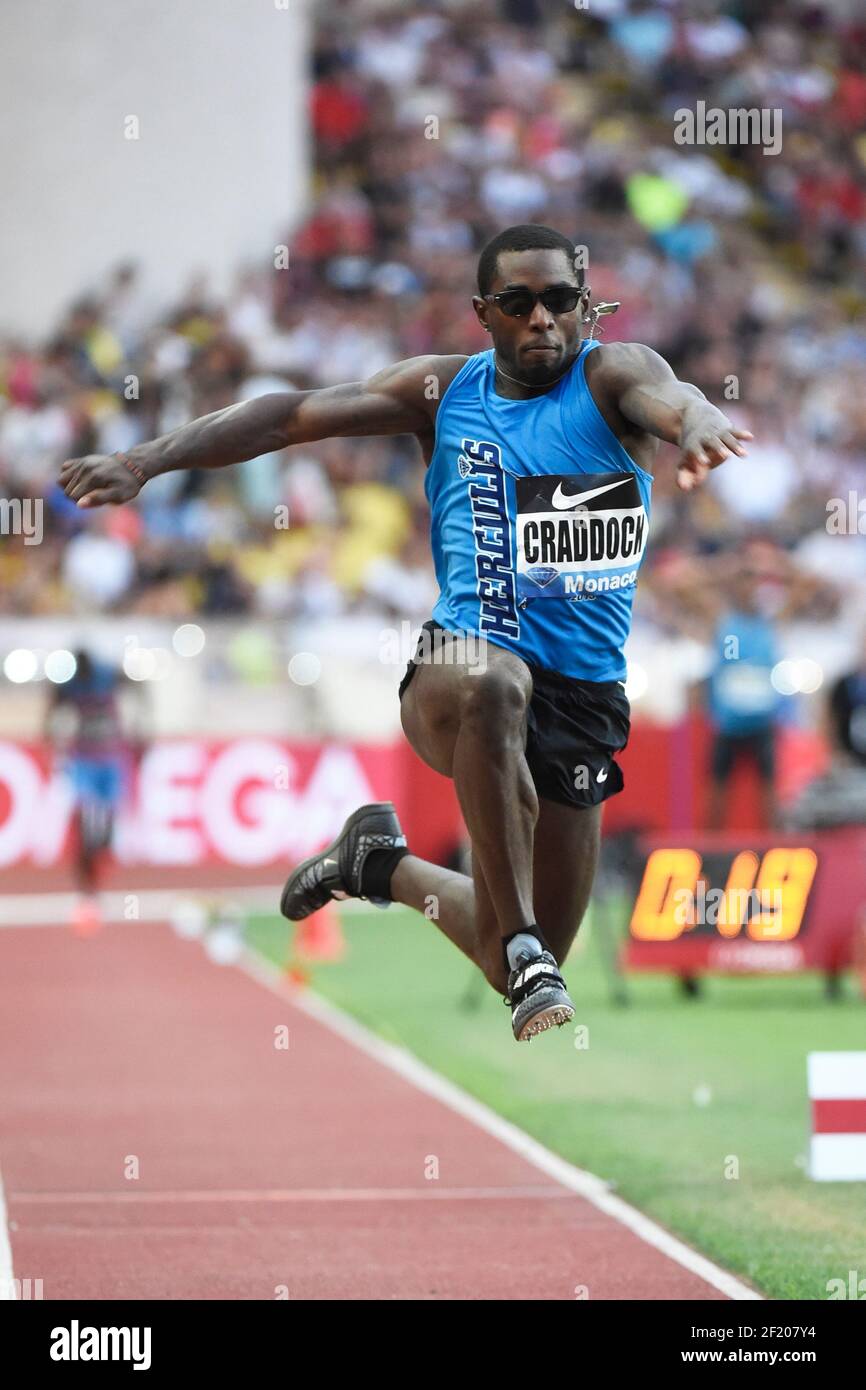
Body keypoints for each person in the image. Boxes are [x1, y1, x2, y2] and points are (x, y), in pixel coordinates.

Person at [60, 224, 750, 1040]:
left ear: (587, 306)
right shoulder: (441, 393)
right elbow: (289, 417)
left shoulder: (613, 378)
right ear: (482, 313)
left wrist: (700, 421)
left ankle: (378, 865)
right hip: (456, 671)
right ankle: (521, 937)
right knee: (499, 684)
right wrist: (146, 460)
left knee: (513, 965)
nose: (542, 322)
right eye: (519, 304)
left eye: (560, 301)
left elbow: (675, 398)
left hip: (583, 701)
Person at [45, 648, 140, 933]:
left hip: (109, 757)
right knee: (86, 816)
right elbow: (53, 702)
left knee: (108, 817)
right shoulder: (70, 684)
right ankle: (89, 875)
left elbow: (135, 683)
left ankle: (100, 857)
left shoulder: (106, 675)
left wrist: (142, 725)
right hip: (85, 758)